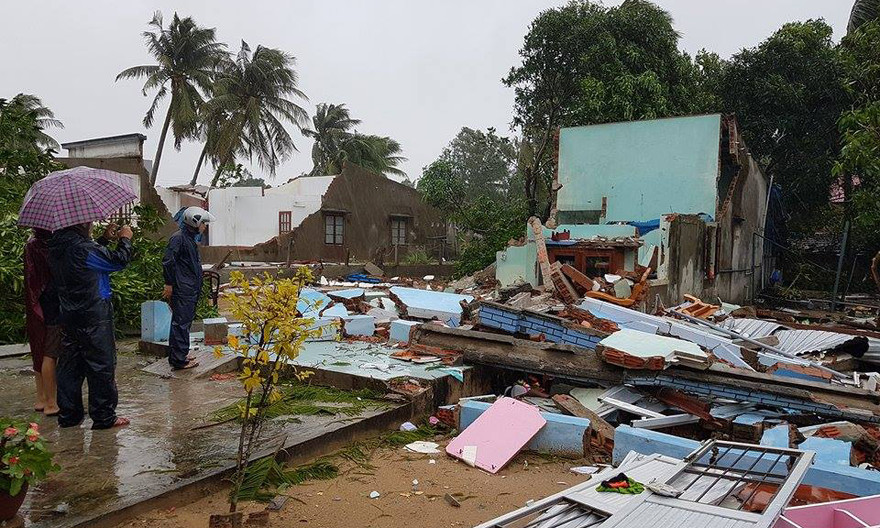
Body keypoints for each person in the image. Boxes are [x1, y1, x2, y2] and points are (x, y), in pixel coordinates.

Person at [48, 222, 133, 429]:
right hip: (94, 315)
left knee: (70, 366)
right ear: (81, 224)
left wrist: (103, 240)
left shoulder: (57, 247)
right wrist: (125, 239)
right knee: (101, 365)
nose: (92, 224)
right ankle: (104, 416)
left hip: (69, 314)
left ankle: (69, 415)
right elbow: (117, 261)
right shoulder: (83, 249)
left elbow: (87, 263)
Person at [162, 207, 214, 370]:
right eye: (203, 223)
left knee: (184, 322)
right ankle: (178, 360)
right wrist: (169, 284)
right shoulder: (179, 239)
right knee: (181, 323)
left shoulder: (188, 239)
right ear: (195, 222)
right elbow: (168, 261)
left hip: (189, 287)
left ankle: (180, 353)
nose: (204, 227)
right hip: (183, 288)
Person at [24, 228, 61, 416]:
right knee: (50, 354)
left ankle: (41, 397)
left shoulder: (31, 244)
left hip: (35, 303)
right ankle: (51, 403)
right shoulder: (51, 245)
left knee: (38, 348)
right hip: (52, 303)